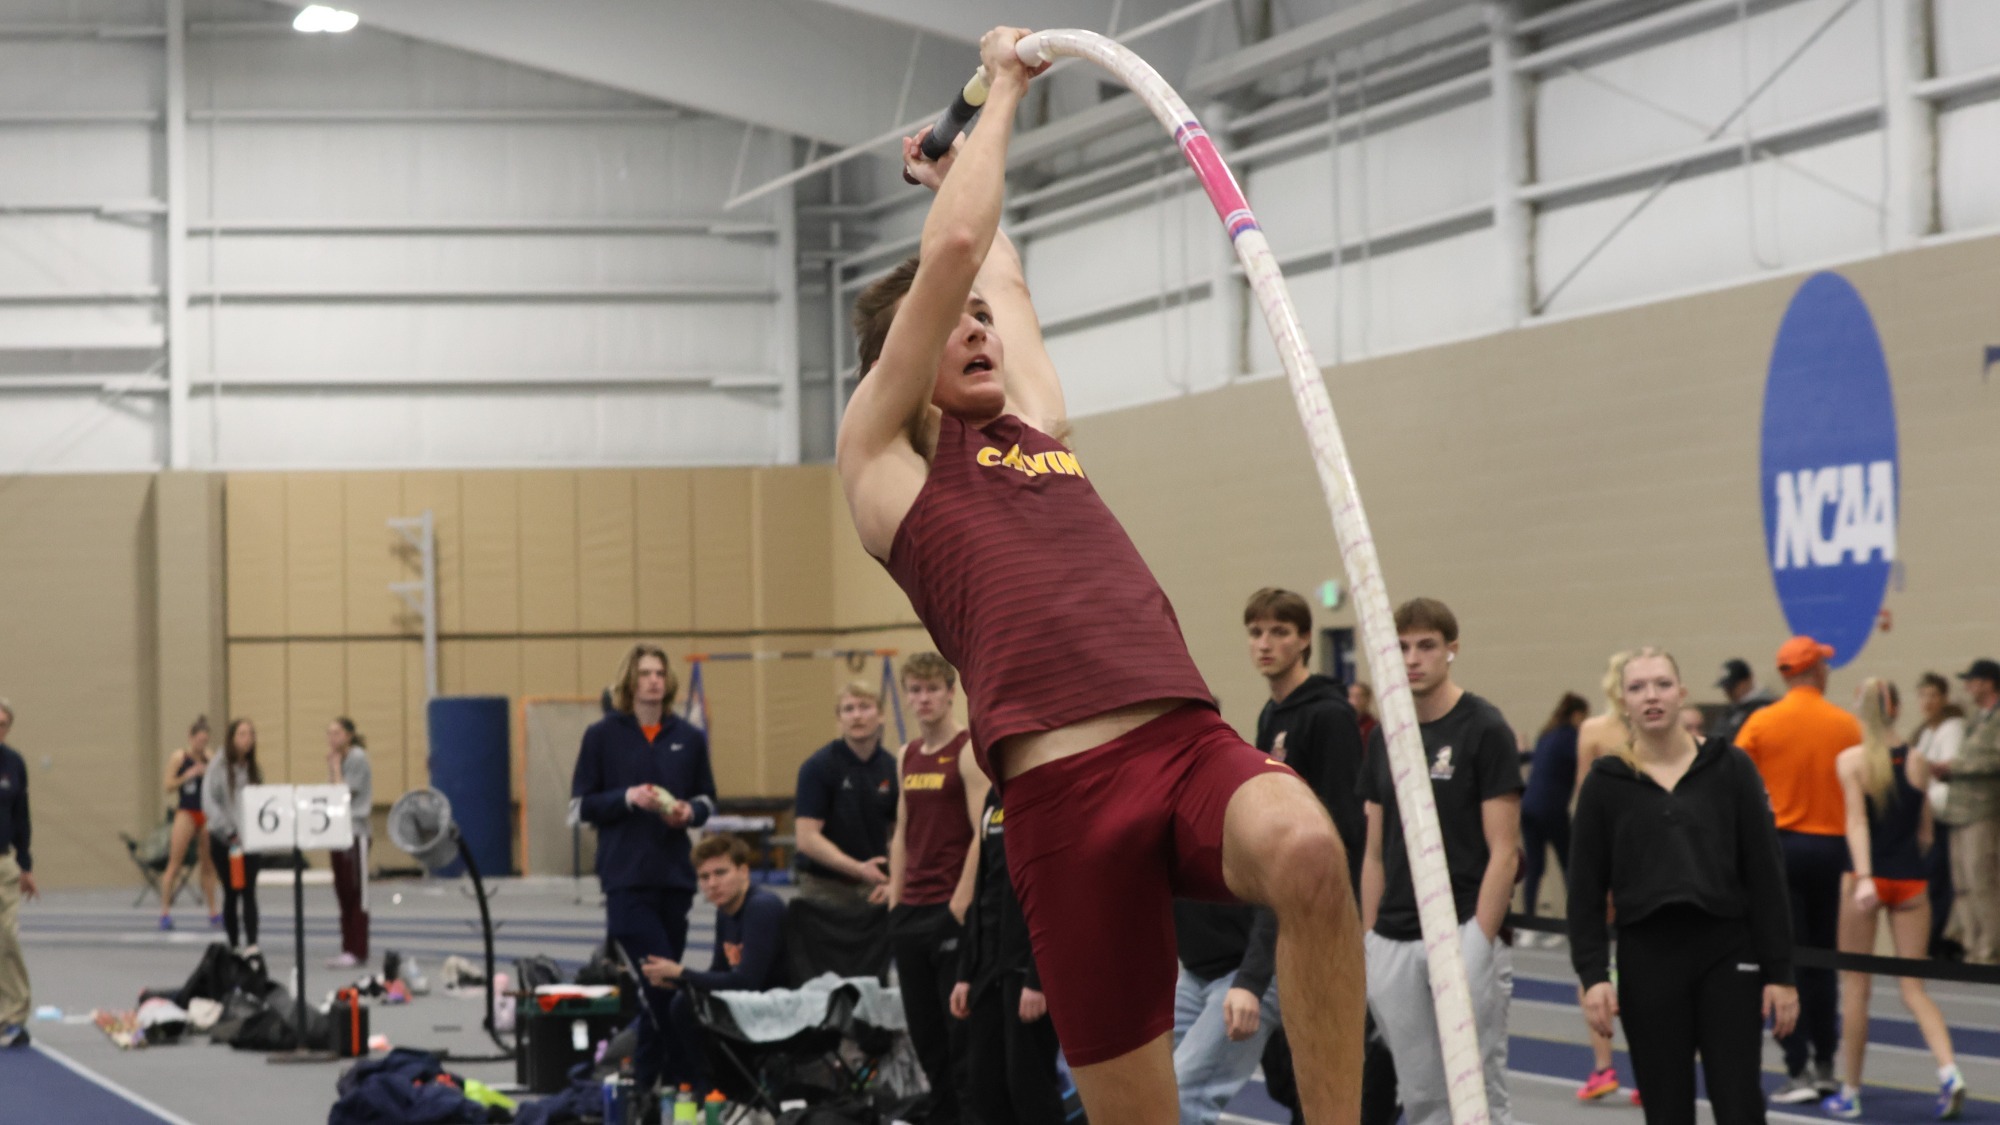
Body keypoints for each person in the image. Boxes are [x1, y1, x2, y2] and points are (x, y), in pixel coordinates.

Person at [844, 28, 1363, 1122]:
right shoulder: (885, 465)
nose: (978, 328)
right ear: (901, 369)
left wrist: (958, 169)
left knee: (1311, 850)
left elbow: (992, 266)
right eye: (955, 329)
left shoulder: (1038, 426)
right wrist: (1004, 98)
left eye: (985, 323)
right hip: (1061, 807)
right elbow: (947, 262)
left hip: (1181, 747)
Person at [1568, 647, 1799, 1125]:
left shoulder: (1730, 767)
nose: (1651, 696)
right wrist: (1592, 976)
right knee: (1666, 1106)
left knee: (1739, 1102)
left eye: (1662, 684)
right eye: (1637, 688)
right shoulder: (1606, 782)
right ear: (1623, 701)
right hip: (1647, 958)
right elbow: (1585, 890)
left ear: (1682, 693)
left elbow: (1765, 873)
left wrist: (1780, 973)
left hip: (1727, 953)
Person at [1358, 598, 1520, 1125]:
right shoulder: (1385, 735)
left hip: (1462, 931)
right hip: (1394, 940)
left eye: (1426, 645)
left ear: (1451, 650)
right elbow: (1374, 849)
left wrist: (1479, 940)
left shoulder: (1484, 727)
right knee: (1423, 1097)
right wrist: (1370, 939)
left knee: (1478, 1096)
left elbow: (1505, 851)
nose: (1412, 658)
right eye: (1401, 647)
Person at [1241, 588, 1389, 1125]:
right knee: (1284, 1070)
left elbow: (1345, 824)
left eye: (1279, 632)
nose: (1265, 644)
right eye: (1256, 632)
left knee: (1326, 1072)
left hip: (1322, 911)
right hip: (1279, 909)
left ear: (1305, 639)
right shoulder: (1271, 712)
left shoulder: (1327, 717)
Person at [571, 643, 718, 1099]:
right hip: (625, 877)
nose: (653, 680)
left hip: (674, 878)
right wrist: (626, 798)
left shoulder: (689, 737)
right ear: (630, 682)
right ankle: (697, 1075)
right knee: (663, 986)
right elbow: (579, 806)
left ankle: (646, 1088)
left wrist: (687, 815)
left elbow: (708, 801)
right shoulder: (602, 736)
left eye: (659, 673)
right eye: (645, 673)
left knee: (664, 987)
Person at [1821, 679, 1967, 1120]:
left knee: (1856, 989)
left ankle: (1850, 1091)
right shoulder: (1919, 760)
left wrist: (1865, 877)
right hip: (1911, 883)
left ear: (1858, 710)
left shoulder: (1851, 761)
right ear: (1897, 709)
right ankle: (1949, 1072)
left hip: (1865, 880)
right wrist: (1911, 866)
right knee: (1914, 990)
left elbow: (1856, 824)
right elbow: (1925, 830)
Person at [1733, 635, 1861, 1101]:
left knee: (1780, 960)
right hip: (1832, 849)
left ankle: (1797, 1068)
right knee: (1822, 961)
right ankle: (1827, 1063)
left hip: (1779, 849)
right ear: (1816, 671)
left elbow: (1736, 786)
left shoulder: (1761, 724)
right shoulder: (1846, 725)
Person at [887, 653, 988, 1125]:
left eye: (932, 690)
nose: (923, 699)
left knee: (960, 1036)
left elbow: (982, 831)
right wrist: (894, 896)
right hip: (909, 910)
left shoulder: (968, 752)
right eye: (915, 690)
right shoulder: (905, 754)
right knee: (925, 1035)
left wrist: (960, 903)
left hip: (951, 910)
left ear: (950, 693)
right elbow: (903, 831)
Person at [641, 835, 787, 1096]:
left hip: (777, 1008)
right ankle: (714, 1088)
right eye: (705, 877)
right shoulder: (725, 911)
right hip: (746, 1005)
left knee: (685, 1006)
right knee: (680, 1001)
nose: (712, 883)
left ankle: (728, 1091)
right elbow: (719, 971)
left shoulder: (762, 908)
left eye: (720, 873)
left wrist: (683, 973)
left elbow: (747, 982)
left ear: (743, 872)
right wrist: (678, 980)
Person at [952, 790, 1066, 1124]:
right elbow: (983, 887)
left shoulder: (1045, 791)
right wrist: (966, 971)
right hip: (987, 967)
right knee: (985, 1086)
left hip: (1027, 970)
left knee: (1029, 1088)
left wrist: (1038, 976)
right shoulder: (992, 795)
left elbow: (1057, 891)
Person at [1571, 652, 1636, 1102]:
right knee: (1644, 960)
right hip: (1636, 852)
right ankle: (1648, 1070)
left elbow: (1580, 800)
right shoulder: (1656, 732)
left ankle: (1603, 1066)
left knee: (1594, 961)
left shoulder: (1594, 731)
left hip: (1610, 851)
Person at [794, 682, 899, 908]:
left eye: (864, 707)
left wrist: (896, 880)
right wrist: (858, 869)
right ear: (839, 719)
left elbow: (900, 832)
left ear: (880, 715)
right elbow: (806, 838)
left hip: (876, 884)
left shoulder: (892, 767)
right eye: (848, 709)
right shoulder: (818, 767)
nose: (856, 716)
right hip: (825, 885)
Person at [1935, 658, 2000, 965]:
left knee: (1982, 883)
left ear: (1988, 682)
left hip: (1983, 811)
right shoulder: (1976, 719)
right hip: (1960, 811)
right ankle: (1972, 949)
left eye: (1972, 681)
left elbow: (1994, 760)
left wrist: (1955, 767)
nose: (1967, 687)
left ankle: (1990, 951)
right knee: (1961, 886)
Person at [1521, 693, 1589, 930]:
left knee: (1535, 867)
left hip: (1528, 807)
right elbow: (1585, 761)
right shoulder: (1572, 736)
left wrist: (1520, 755)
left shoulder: (1548, 733)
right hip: (1551, 809)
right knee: (1569, 864)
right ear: (1578, 714)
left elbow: (1536, 758)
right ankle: (1578, 919)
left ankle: (1529, 920)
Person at [1913, 672, 1967, 956]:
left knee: (1941, 878)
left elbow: (1945, 769)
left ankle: (1940, 939)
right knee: (1929, 877)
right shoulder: (1925, 732)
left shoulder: (1952, 727)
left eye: (1934, 695)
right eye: (1923, 695)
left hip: (1943, 814)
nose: (1928, 701)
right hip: (1927, 813)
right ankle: (1930, 937)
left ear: (1944, 698)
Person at [202, 718, 264, 951]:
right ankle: (234, 944)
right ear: (232, 738)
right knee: (231, 892)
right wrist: (229, 830)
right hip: (224, 840)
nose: (247, 739)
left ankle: (252, 944)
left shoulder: (254, 768)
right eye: (242, 734)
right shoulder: (217, 767)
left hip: (251, 842)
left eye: (250, 734)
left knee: (249, 892)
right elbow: (209, 803)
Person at [158, 716, 220, 932]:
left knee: (208, 866)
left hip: (205, 813)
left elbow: (216, 786)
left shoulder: (210, 758)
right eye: (199, 741)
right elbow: (168, 785)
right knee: (174, 864)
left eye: (205, 741)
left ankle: (213, 912)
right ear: (191, 738)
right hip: (186, 812)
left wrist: (208, 772)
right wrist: (187, 775)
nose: (201, 745)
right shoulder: (179, 757)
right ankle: (165, 912)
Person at [0, 700, 36, 1049]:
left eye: (4, 724)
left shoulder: (14, 764)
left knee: (7, 938)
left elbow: (22, 818)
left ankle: (13, 1017)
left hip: (4, 865)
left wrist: (26, 866)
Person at [326, 717, 373, 969]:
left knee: (356, 893)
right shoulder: (340, 760)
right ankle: (347, 947)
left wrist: (334, 768)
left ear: (349, 735)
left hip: (356, 833)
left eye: (337, 733)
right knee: (343, 891)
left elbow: (341, 792)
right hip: (339, 831)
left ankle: (358, 947)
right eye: (329, 733)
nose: (332, 738)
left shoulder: (356, 758)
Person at [1715, 659, 1777, 748]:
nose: (1728, 692)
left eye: (1732, 687)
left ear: (1747, 681)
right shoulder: (1734, 708)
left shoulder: (1766, 707)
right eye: (1726, 687)